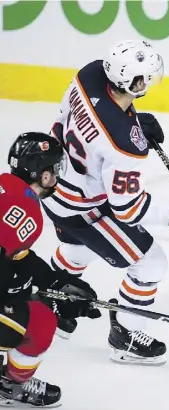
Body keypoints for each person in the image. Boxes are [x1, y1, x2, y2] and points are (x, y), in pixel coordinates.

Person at [41, 40, 169, 366]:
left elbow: (100, 112)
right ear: (135, 83)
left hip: (52, 186)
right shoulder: (124, 144)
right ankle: (126, 337)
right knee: (151, 263)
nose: (148, 84)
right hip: (82, 208)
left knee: (80, 248)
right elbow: (126, 208)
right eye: (145, 79)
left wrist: (134, 120)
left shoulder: (90, 74)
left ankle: (47, 300)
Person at [0, 132, 100, 407]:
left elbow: (16, 257)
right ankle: (10, 386)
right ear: (42, 174)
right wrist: (40, 296)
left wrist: (55, 281)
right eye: (54, 169)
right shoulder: (26, 210)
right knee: (41, 322)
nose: (55, 177)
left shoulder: (4, 187)